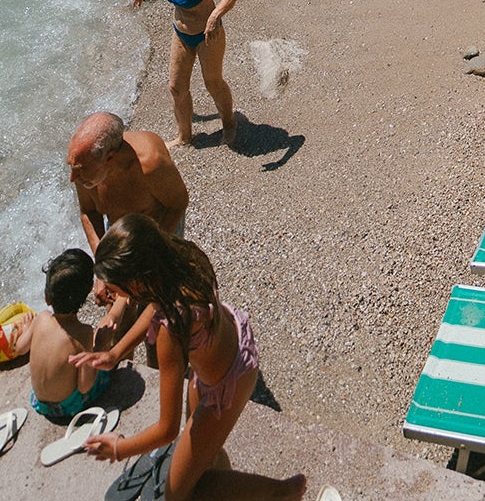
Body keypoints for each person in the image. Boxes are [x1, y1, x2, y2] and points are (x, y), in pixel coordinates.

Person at [74, 216, 305, 497]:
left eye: (115, 286)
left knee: (179, 495)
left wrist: (119, 448)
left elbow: (166, 430)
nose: (112, 293)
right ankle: (229, 482)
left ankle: (284, 492)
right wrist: (116, 352)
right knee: (202, 460)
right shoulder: (181, 259)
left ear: (136, 282)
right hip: (233, 344)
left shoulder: (170, 332)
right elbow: (158, 304)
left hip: (226, 385)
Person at [67, 114, 190, 350]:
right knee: (118, 310)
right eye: (71, 167)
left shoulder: (152, 163)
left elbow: (178, 204)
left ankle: (166, 359)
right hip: (119, 233)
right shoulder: (84, 173)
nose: (72, 178)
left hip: (159, 227)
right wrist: (103, 267)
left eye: (80, 170)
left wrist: (145, 258)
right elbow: (88, 212)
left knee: (159, 309)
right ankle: (120, 365)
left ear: (109, 159)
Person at [132, 0, 242, 148]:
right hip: (180, 34)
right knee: (176, 87)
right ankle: (185, 136)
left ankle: (230, 123)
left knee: (213, 83)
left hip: (207, 36)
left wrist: (215, 16)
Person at [21, 249, 115, 423]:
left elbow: (20, 348)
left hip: (39, 402)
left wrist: (28, 327)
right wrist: (101, 346)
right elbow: (85, 386)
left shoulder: (41, 318)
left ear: (48, 298)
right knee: (107, 370)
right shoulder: (83, 334)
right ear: (87, 291)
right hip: (66, 407)